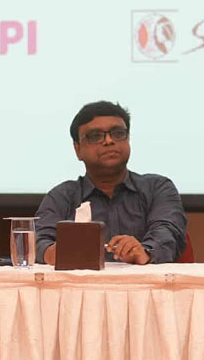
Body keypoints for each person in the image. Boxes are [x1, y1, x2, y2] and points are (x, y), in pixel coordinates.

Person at [34, 101, 186, 265]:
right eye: (95, 136)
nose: (109, 141)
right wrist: (52, 253)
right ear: (78, 149)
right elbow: (39, 240)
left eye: (118, 133)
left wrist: (144, 252)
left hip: (143, 280)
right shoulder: (62, 196)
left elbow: (169, 233)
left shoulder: (157, 188)